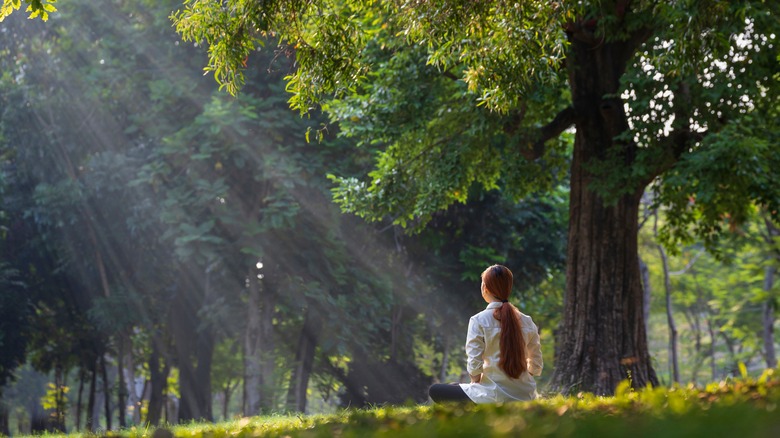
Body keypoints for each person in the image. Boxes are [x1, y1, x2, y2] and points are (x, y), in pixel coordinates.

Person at [428, 264, 543, 403]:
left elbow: (474, 365)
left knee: (436, 390)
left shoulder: (478, 320)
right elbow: (536, 365)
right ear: (508, 288)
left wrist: (475, 383)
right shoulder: (527, 321)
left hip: (492, 396)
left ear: (485, 288)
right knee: (454, 386)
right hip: (525, 396)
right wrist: (518, 383)